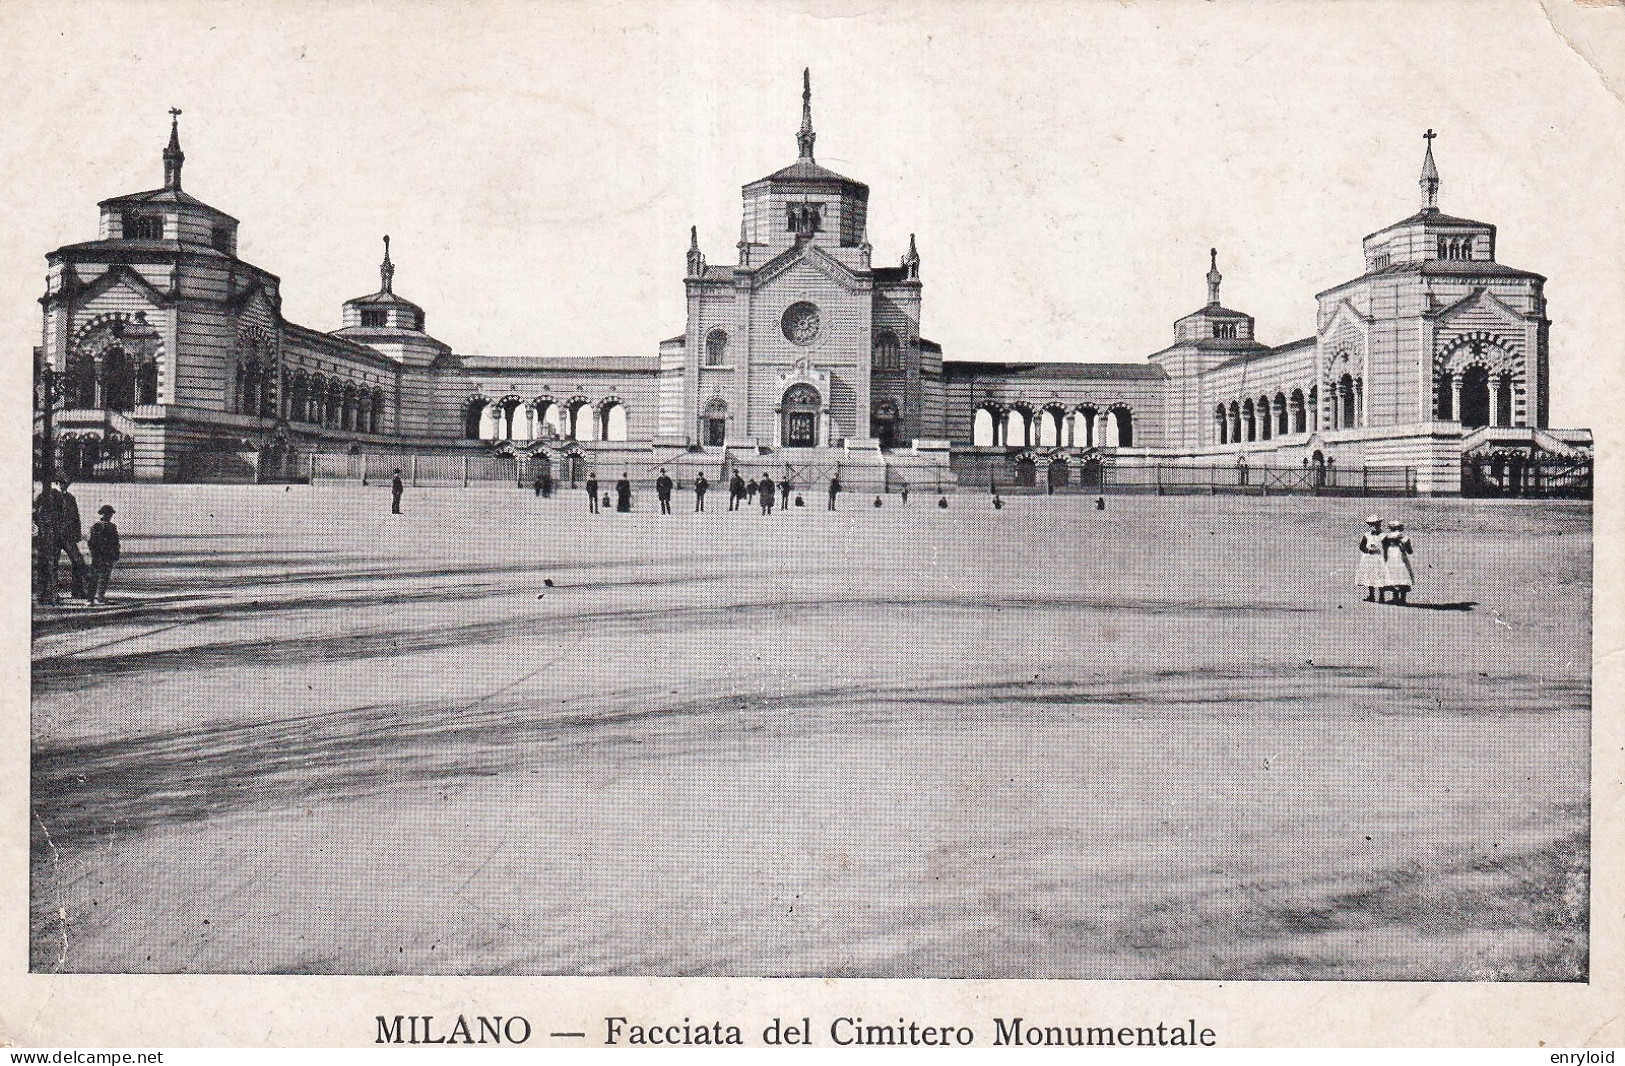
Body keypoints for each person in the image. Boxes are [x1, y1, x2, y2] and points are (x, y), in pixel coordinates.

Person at [53, 478, 89, 600]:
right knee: (52, 564)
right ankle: (52, 594)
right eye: (61, 483)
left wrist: (77, 535)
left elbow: (76, 518)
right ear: (56, 483)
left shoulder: (70, 498)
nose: (64, 485)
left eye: (66, 483)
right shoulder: (49, 496)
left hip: (68, 537)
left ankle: (77, 592)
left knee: (78, 562)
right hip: (54, 537)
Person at [87, 504, 120, 604]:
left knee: (104, 576)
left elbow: (116, 542)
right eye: (108, 514)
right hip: (99, 555)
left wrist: (116, 553)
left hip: (107, 556)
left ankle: (99, 596)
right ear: (103, 514)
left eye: (110, 514)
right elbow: (91, 542)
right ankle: (92, 597)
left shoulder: (112, 527)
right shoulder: (96, 526)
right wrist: (95, 553)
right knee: (96, 576)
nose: (109, 516)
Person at [1382, 520, 1415, 604]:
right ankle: (1402, 598)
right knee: (1403, 574)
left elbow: (1383, 546)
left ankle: (1395, 597)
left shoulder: (1387, 537)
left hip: (1391, 556)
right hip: (1401, 556)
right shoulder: (1405, 537)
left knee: (1392, 574)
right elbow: (1410, 551)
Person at [1356, 515, 1387, 602]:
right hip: (1368, 559)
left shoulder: (1384, 536)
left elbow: (1387, 547)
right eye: (1372, 525)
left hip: (1379, 558)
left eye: (1377, 525)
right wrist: (1368, 550)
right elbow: (1361, 546)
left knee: (1380, 576)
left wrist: (1380, 550)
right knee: (1369, 576)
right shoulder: (1367, 535)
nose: (1374, 527)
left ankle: (1382, 596)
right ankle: (1371, 595)